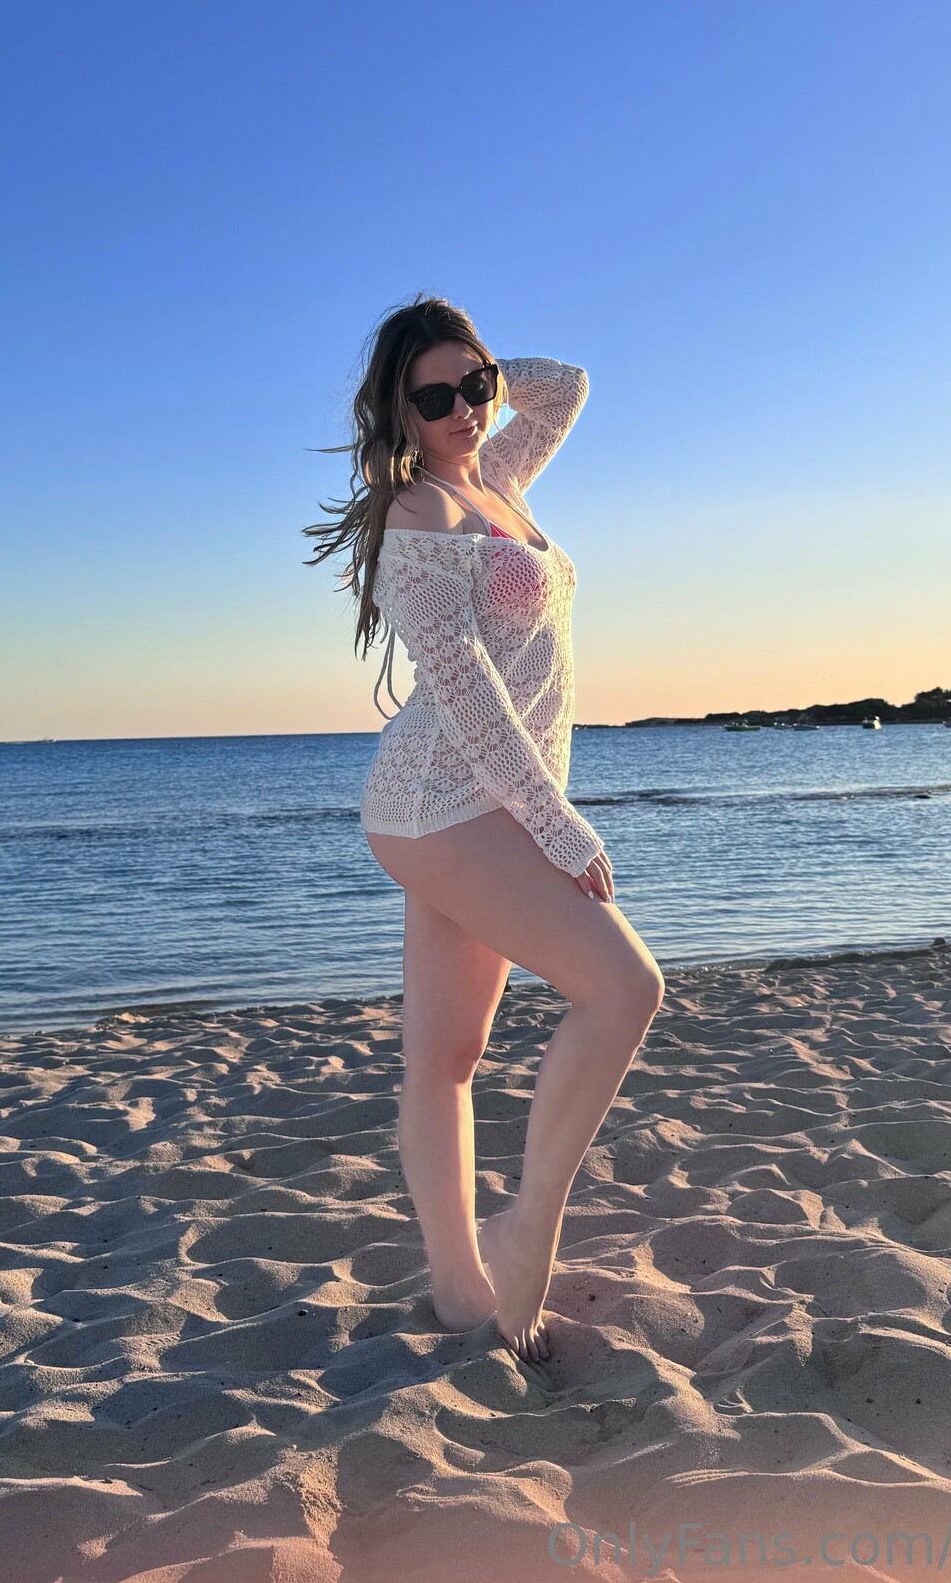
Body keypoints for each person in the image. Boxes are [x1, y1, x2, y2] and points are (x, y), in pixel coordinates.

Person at [303, 295, 665, 1363]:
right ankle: (522, 1229)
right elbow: (468, 697)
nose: (463, 409)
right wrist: (557, 827)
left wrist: (485, 366)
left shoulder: (498, 478)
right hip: (440, 806)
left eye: (473, 387)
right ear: (396, 414)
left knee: (446, 1055)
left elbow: (566, 387)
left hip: (482, 803)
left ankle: (463, 1295)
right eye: (435, 398)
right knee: (624, 989)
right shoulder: (417, 520)